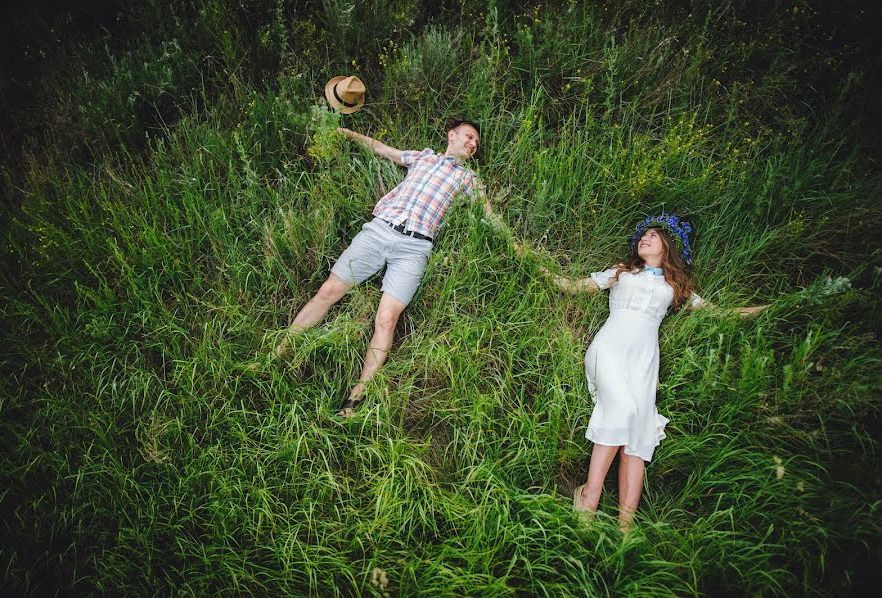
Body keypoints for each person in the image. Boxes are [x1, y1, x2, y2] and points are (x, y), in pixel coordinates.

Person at [520, 213, 766, 532]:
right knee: (622, 410)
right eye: (641, 236)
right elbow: (568, 285)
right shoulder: (620, 272)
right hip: (609, 349)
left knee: (640, 427)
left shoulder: (675, 286)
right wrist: (530, 260)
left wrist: (768, 309)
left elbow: (720, 314)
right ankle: (589, 495)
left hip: (644, 361)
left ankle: (626, 524)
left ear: (668, 245)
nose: (643, 239)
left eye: (652, 235)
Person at [281, 118, 500, 417]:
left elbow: (490, 217)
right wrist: (347, 132)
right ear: (452, 136)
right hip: (380, 231)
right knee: (328, 291)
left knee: (387, 318)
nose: (473, 144)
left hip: (415, 247)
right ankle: (278, 353)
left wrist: (517, 247)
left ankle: (355, 399)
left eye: (476, 142)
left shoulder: (469, 180)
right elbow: (383, 150)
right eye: (469, 136)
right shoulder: (423, 157)